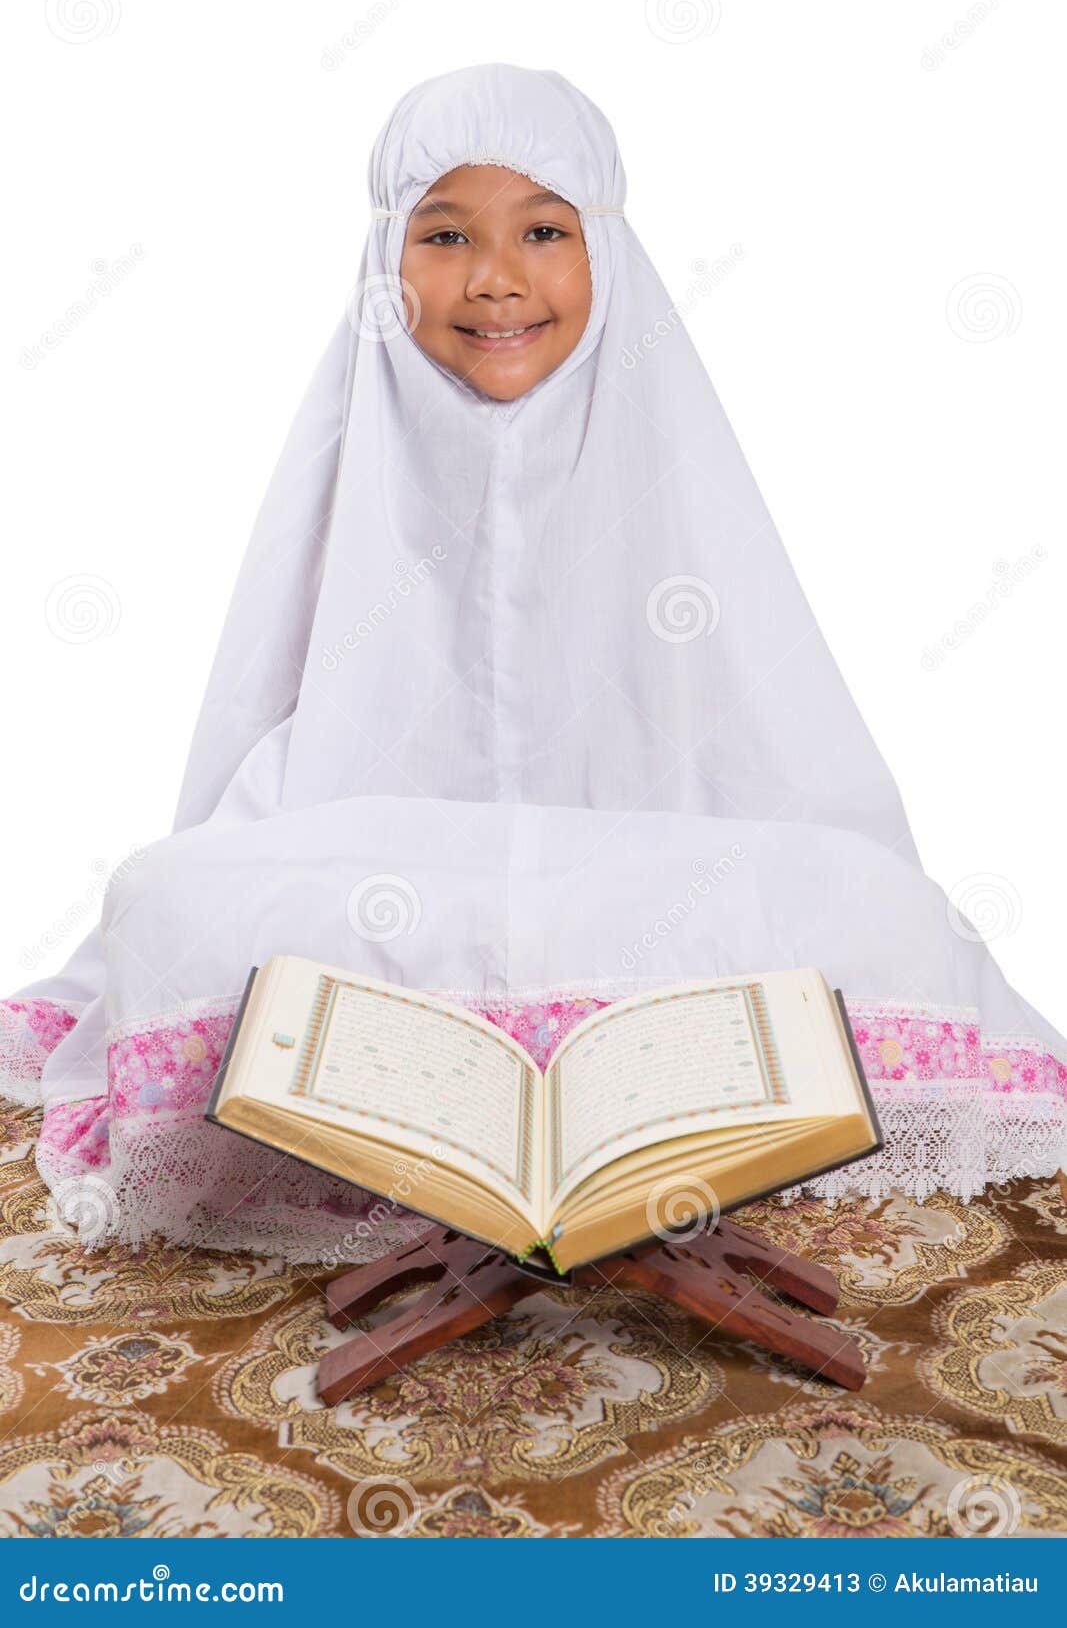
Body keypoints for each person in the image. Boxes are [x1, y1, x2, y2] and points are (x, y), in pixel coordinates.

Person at [3, 63, 1063, 1263]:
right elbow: (261, 736)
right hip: (380, 894)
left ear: (605, 252)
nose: (496, 277)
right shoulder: (351, 443)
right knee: (161, 899)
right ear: (385, 262)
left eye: (543, 231)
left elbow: (773, 748)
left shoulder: (667, 445)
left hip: (642, 888)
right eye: (446, 233)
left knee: (886, 910)